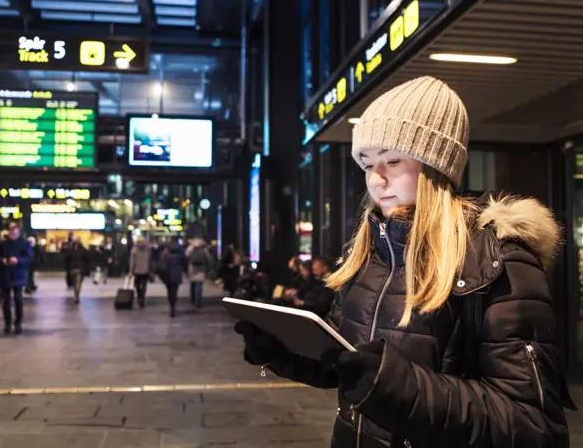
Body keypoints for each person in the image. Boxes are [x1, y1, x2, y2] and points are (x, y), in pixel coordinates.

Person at [234, 76, 575, 448]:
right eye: (366, 163)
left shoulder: (497, 259)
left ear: (437, 166)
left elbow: (533, 425)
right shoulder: (369, 251)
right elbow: (349, 364)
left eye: (392, 161)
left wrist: (400, 387)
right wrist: (284, 351)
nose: (376, 180)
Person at [0, 223, 32, 335]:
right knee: (6, 302)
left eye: (15, 233)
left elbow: (29, 258)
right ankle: (7, 324)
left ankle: (18, 324)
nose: (12, 234)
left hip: (18, 275)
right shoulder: (2, 244)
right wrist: (2, 260)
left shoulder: (25, 244)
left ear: (19, 233)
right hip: (5, 275)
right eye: (11, 232)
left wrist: (18, 260)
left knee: (18, 300)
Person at [157, 239, 186, 318]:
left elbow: (160, 264)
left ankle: (171, 304)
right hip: (177, 275)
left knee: (169, 290)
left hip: (167, 275)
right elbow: (184, 262)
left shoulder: (165, 254)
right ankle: (173, 305)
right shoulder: (180, 254)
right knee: (174, 290)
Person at [185, 237, 212, 308]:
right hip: (201, 269)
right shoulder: (204, 249)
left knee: (192, 285)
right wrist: (209, 269)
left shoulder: (190, 248)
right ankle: (198, 302)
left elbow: (185, 257)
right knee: (199, 286)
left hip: (192, 269)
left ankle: (192, 300)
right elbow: (208, 259)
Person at [129, 236, 152, 308]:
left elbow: (132, 262)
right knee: (144, 284)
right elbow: (149, 259)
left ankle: (139, 296)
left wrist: (130, 271)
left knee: (137, 284)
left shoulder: (134, 249)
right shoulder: (148, 249)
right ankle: (142, 296)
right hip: (145, 270)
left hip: (137, 270)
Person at [65, 237, 89, 304]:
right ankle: (77, 296)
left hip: (72, 268)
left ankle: (76, 295)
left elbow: (66, 259)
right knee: (78, 283)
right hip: (81, 268)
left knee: (75, 283)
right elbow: (87, 258)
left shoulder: (69, 250)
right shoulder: (83, 249)